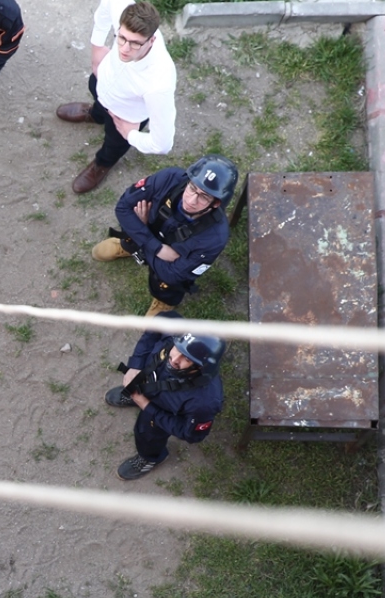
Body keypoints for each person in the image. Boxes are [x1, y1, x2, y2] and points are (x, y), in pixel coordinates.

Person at [92, 155, 238, 316]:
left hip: (165, 272)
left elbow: (172, 274)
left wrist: (141, 228)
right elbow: (123, 207)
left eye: (204, 197)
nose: (191, 200)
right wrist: (155, 246)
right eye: (192, 188)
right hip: (155, 242)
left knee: (168, 285)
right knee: (130, 233)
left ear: (216, 203)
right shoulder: (169, 179)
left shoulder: (215, 238)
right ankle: (128, 246)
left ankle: (164, 301)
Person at [56, 1, 176, 194]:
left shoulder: (159, 83)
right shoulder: (121, 8)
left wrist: (131, 135)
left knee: (114, 143)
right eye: (121, 38)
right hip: (103, 82)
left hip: (124, 115)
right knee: (95, 92)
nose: (125, 49)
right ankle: (95, 114)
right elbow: (108, 4)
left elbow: (163, 144)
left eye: (136, 43)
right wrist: (97, 46)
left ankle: (102, 164)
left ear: (151, 40)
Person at [105, 314, 225, 480]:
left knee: (147, 436)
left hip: (160, 413)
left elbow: (190, 434)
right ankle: (134, 393)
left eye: (187, 359)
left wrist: (146, 405)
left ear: (202, 367)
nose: (174, 359)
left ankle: (150, 458)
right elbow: (153, 330)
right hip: (146, 381)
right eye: (178, 348)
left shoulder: (204, 402)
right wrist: (135, 366)